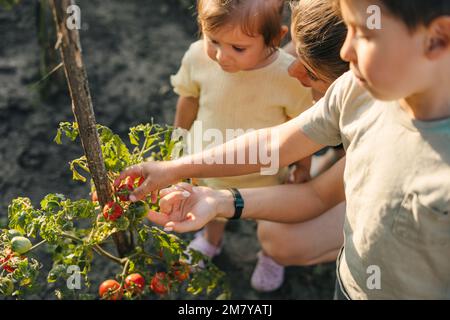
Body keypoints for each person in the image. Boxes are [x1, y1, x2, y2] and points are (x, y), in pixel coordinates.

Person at [117, 0, 450, 299]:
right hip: (351, 284)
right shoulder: (356, 91)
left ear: (437, 38)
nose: (347, 51)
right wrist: (186, 176)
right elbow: (275, 147)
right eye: (348, 29)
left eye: (363, 34)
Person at [168, 0, 313, 291]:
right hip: (209, 159)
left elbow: (304, 126)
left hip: (265, 172)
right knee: (211, 203)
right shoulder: (198, 58)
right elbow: (189, 100)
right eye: (213, 41)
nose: (221, 56)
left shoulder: (288, 75)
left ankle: (272, 254)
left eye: (238, 48)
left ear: (274, 39)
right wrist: (178, 145)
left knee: (269, 217)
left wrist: (302, 167)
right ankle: (211, 241)